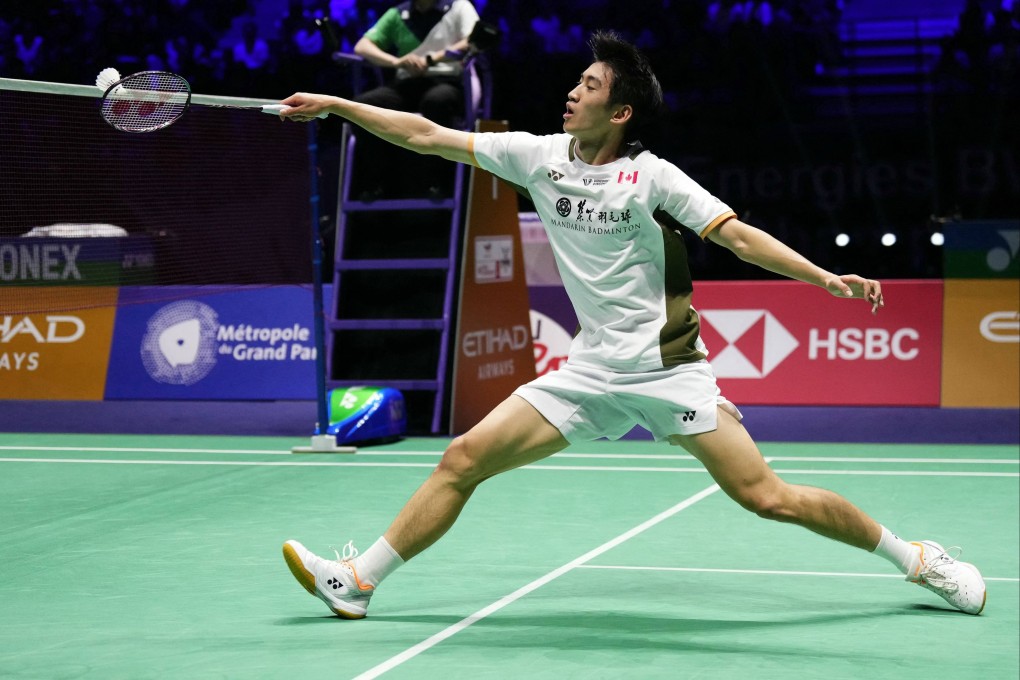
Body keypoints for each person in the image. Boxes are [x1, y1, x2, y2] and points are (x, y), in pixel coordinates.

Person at [276, 30, 987, 619]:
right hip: (589, 372)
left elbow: (736, 236)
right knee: (463, 458)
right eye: (577, 81)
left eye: (588, 85)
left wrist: (824, 278)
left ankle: (919, 559)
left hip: (667, 370)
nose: (572, 91)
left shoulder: (654, 177)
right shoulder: (539, 158)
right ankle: (358, 580)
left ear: (619, 113)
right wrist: (341, 105)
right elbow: (429, 135)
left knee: (767, 498)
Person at [346, 0, 480, 199]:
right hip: (407, 83)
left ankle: (437, 183)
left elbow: (475, 39)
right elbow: (362, 46)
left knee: (436, 102)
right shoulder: (398, 13)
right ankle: (378, 183)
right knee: (365, 107)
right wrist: (396, 62)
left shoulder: (458, 6)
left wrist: (431, 59)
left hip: (447, 81)